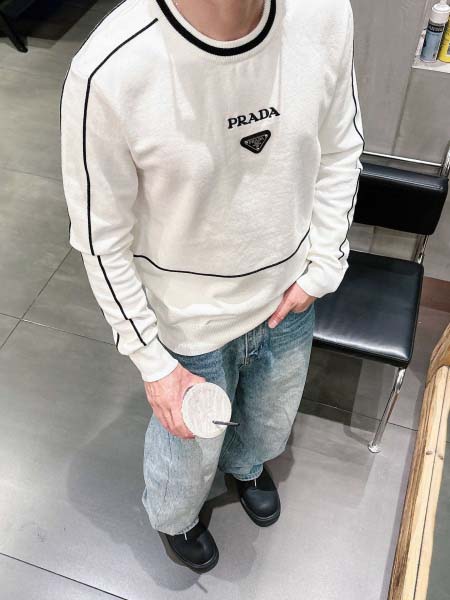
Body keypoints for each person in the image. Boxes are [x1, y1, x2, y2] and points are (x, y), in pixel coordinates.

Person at [60, 0, 364, 573]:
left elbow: (341, 146)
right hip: (186, 318)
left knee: (270, 420)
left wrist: (324, 264)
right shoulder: (111, 68)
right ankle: (176, 518)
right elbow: (101, 238)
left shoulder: (324, 14)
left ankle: (246, 466)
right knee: (186, 456)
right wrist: (151, 360)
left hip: (287, 293)